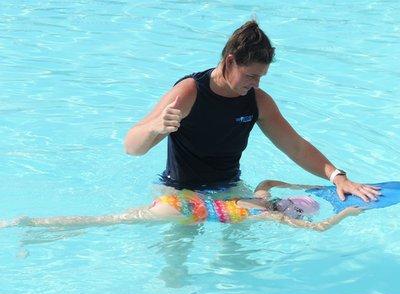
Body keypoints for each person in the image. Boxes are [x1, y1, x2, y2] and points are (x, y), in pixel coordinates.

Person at [124, 20, 379, 201]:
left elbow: (296, 146)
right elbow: (132, 148)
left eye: (261, 77)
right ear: (230, 61)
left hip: (229, 189)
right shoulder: (189, 91)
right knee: (177, 265)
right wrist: (155, 127)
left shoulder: (257, 101)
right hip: (178, 191)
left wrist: (338, 176)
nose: (256, 83)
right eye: (251, 75)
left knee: (238, 260)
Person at [0, 180, 363, 232]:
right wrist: (347, 212)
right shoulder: (266, 212)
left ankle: (42, 228)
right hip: (184, 211)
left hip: (183, 200)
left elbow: (275, 182)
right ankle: (33, 224)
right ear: (288, 211)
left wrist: (315, 185)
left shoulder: (260, 194)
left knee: (110, 220)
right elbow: (316, 229)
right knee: (106, 222)